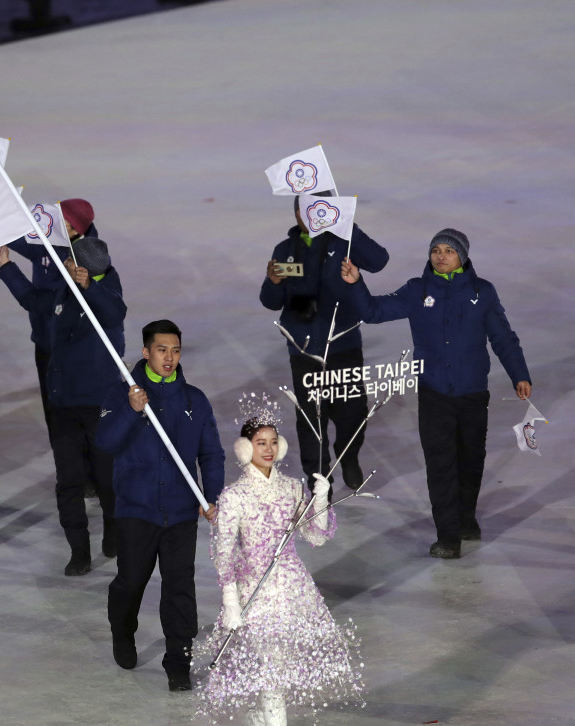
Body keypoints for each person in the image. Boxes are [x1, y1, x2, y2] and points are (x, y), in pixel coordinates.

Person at [340, 229, 532, 559]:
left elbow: (503, 338)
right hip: (433, 395)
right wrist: (356, 283)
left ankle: (466, 519)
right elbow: (373, 312)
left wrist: (520, 374)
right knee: (441, 465)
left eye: (449, 251)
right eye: (435, 251)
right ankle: (448, 536)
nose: (440, 256)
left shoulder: (481, 292)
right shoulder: (417, 291)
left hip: (472, 394)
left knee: (470, 462)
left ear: (463, 256)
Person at [197, 408, 364, 725]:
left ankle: (261, 715)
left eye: (273, 442)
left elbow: (315, 536)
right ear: (246, 448)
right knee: (272, 664)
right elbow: (224, 551)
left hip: (293, 587)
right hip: (254, 589)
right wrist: (231, 601)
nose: (269, 449)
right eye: (261, 443)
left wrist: (320, 501)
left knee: (278, 663)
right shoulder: (235, 496)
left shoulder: (291, 488)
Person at [96, 320, 225, 693]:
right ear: (146, 352)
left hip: (182, 512)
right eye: (162, 350)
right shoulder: (123, 394)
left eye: (175, 350)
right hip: (136, 511)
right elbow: (105, 442)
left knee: (180, 589)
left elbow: (211, 454)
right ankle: (123, 631)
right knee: (131, 581)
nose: (169, 358)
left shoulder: (194, 400)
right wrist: (131, 411)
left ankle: (178, 664)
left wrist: (211, 495)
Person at [0, 236, 125, 575]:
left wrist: (89, 288)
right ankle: (79, 550)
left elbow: (114, 312)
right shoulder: (60, 292)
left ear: (82, 268)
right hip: (63, 403)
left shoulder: (108, 290)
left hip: (100, 405)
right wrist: (6, 265)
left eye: (70, 263)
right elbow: (31, 299)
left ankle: (113, 530)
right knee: (68, 480)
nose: (63, 265)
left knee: (107, 477)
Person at [260, 194, 389, 494]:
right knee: (310, 416)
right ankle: (319, 478)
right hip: (304, 349)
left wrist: (347, 225)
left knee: (353, 411)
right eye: (305, 210)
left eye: (320, 210)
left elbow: (379, 261)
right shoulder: (284, 249)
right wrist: (274, 282)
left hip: (344, 344)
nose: (312, 216)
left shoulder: (344, 242)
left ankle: (349, 457)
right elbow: (269, 301)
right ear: (296, 214)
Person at [5, 198, 98, 436]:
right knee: (54, 416)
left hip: (73, 348)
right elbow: (13, 236)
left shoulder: (89, 261)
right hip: (45, 343)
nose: (54, 224)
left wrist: (7, 267)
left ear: (76, 230)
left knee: (78, 416)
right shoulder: (48, 242)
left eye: (63, 222)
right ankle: (64, 462)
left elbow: (41, 302)